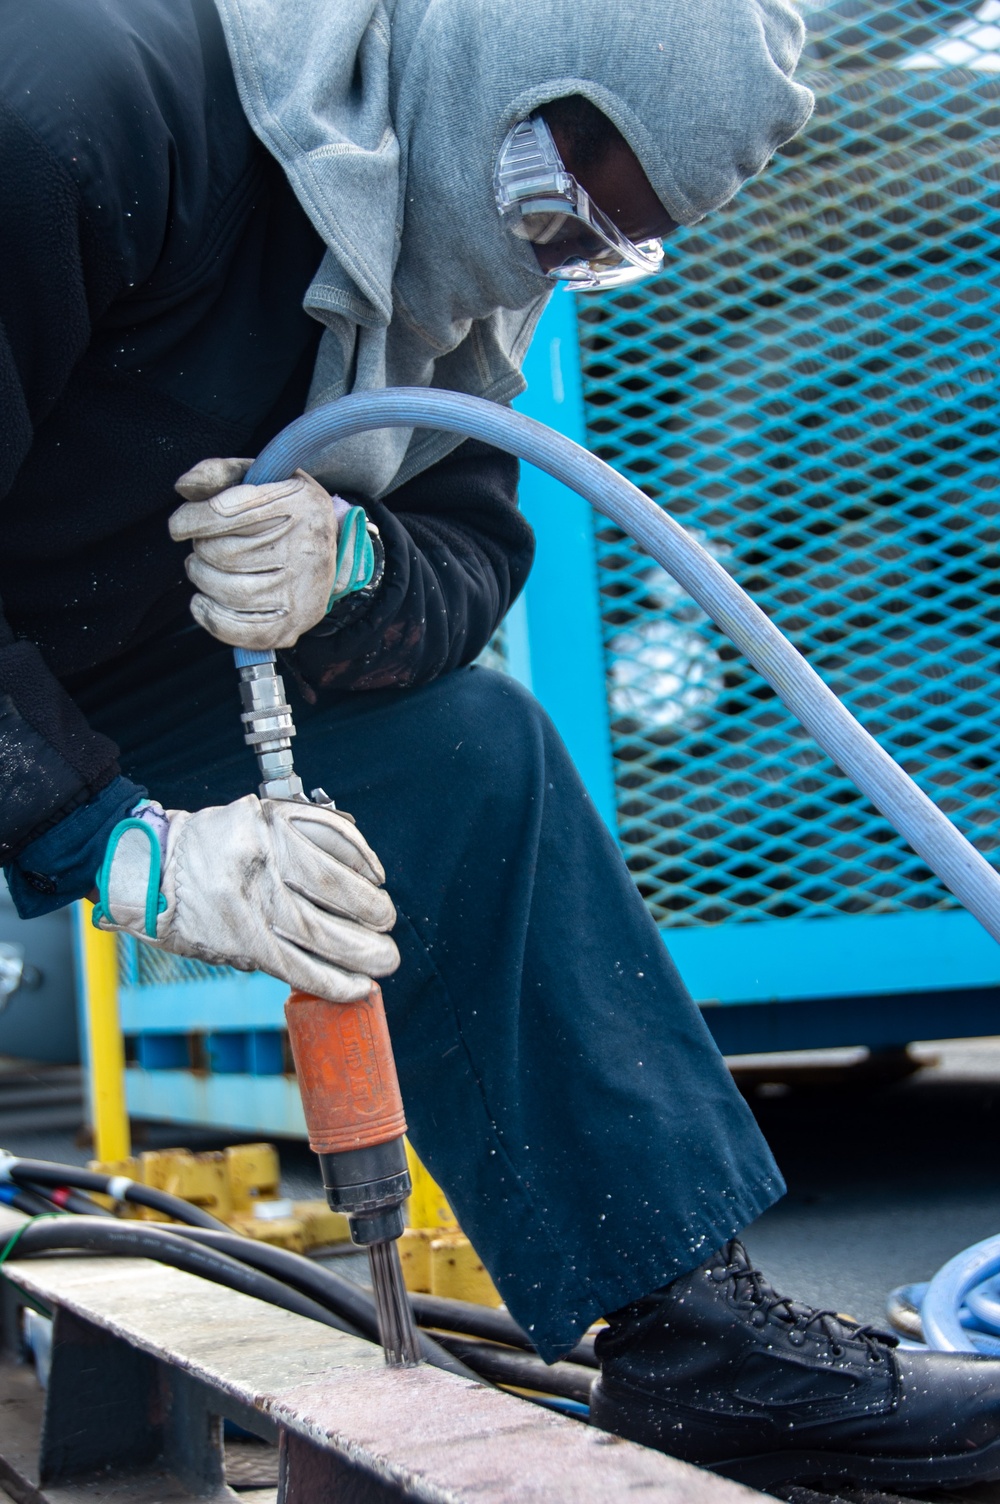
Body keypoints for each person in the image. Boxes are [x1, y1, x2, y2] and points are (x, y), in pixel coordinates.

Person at [2, 0, 999, 1487]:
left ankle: (697, 1342)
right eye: (565, 205)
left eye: (611, 244)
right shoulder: (90, 102)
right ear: (505, 73)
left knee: (473, 757)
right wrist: (112, 843)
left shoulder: (449, 265)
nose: (563, 257)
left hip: (99, 652)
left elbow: (468, 552)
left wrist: (359, 569)